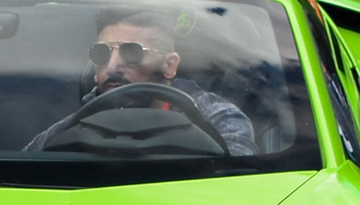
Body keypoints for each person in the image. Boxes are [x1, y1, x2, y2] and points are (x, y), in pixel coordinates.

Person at [25, 11, 256, 156]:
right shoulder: (71, 126)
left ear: (170, 66)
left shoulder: (217, 119)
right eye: (101, 53)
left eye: (132, 53)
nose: (113, 66)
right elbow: (24, 172)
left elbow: (239, 181)